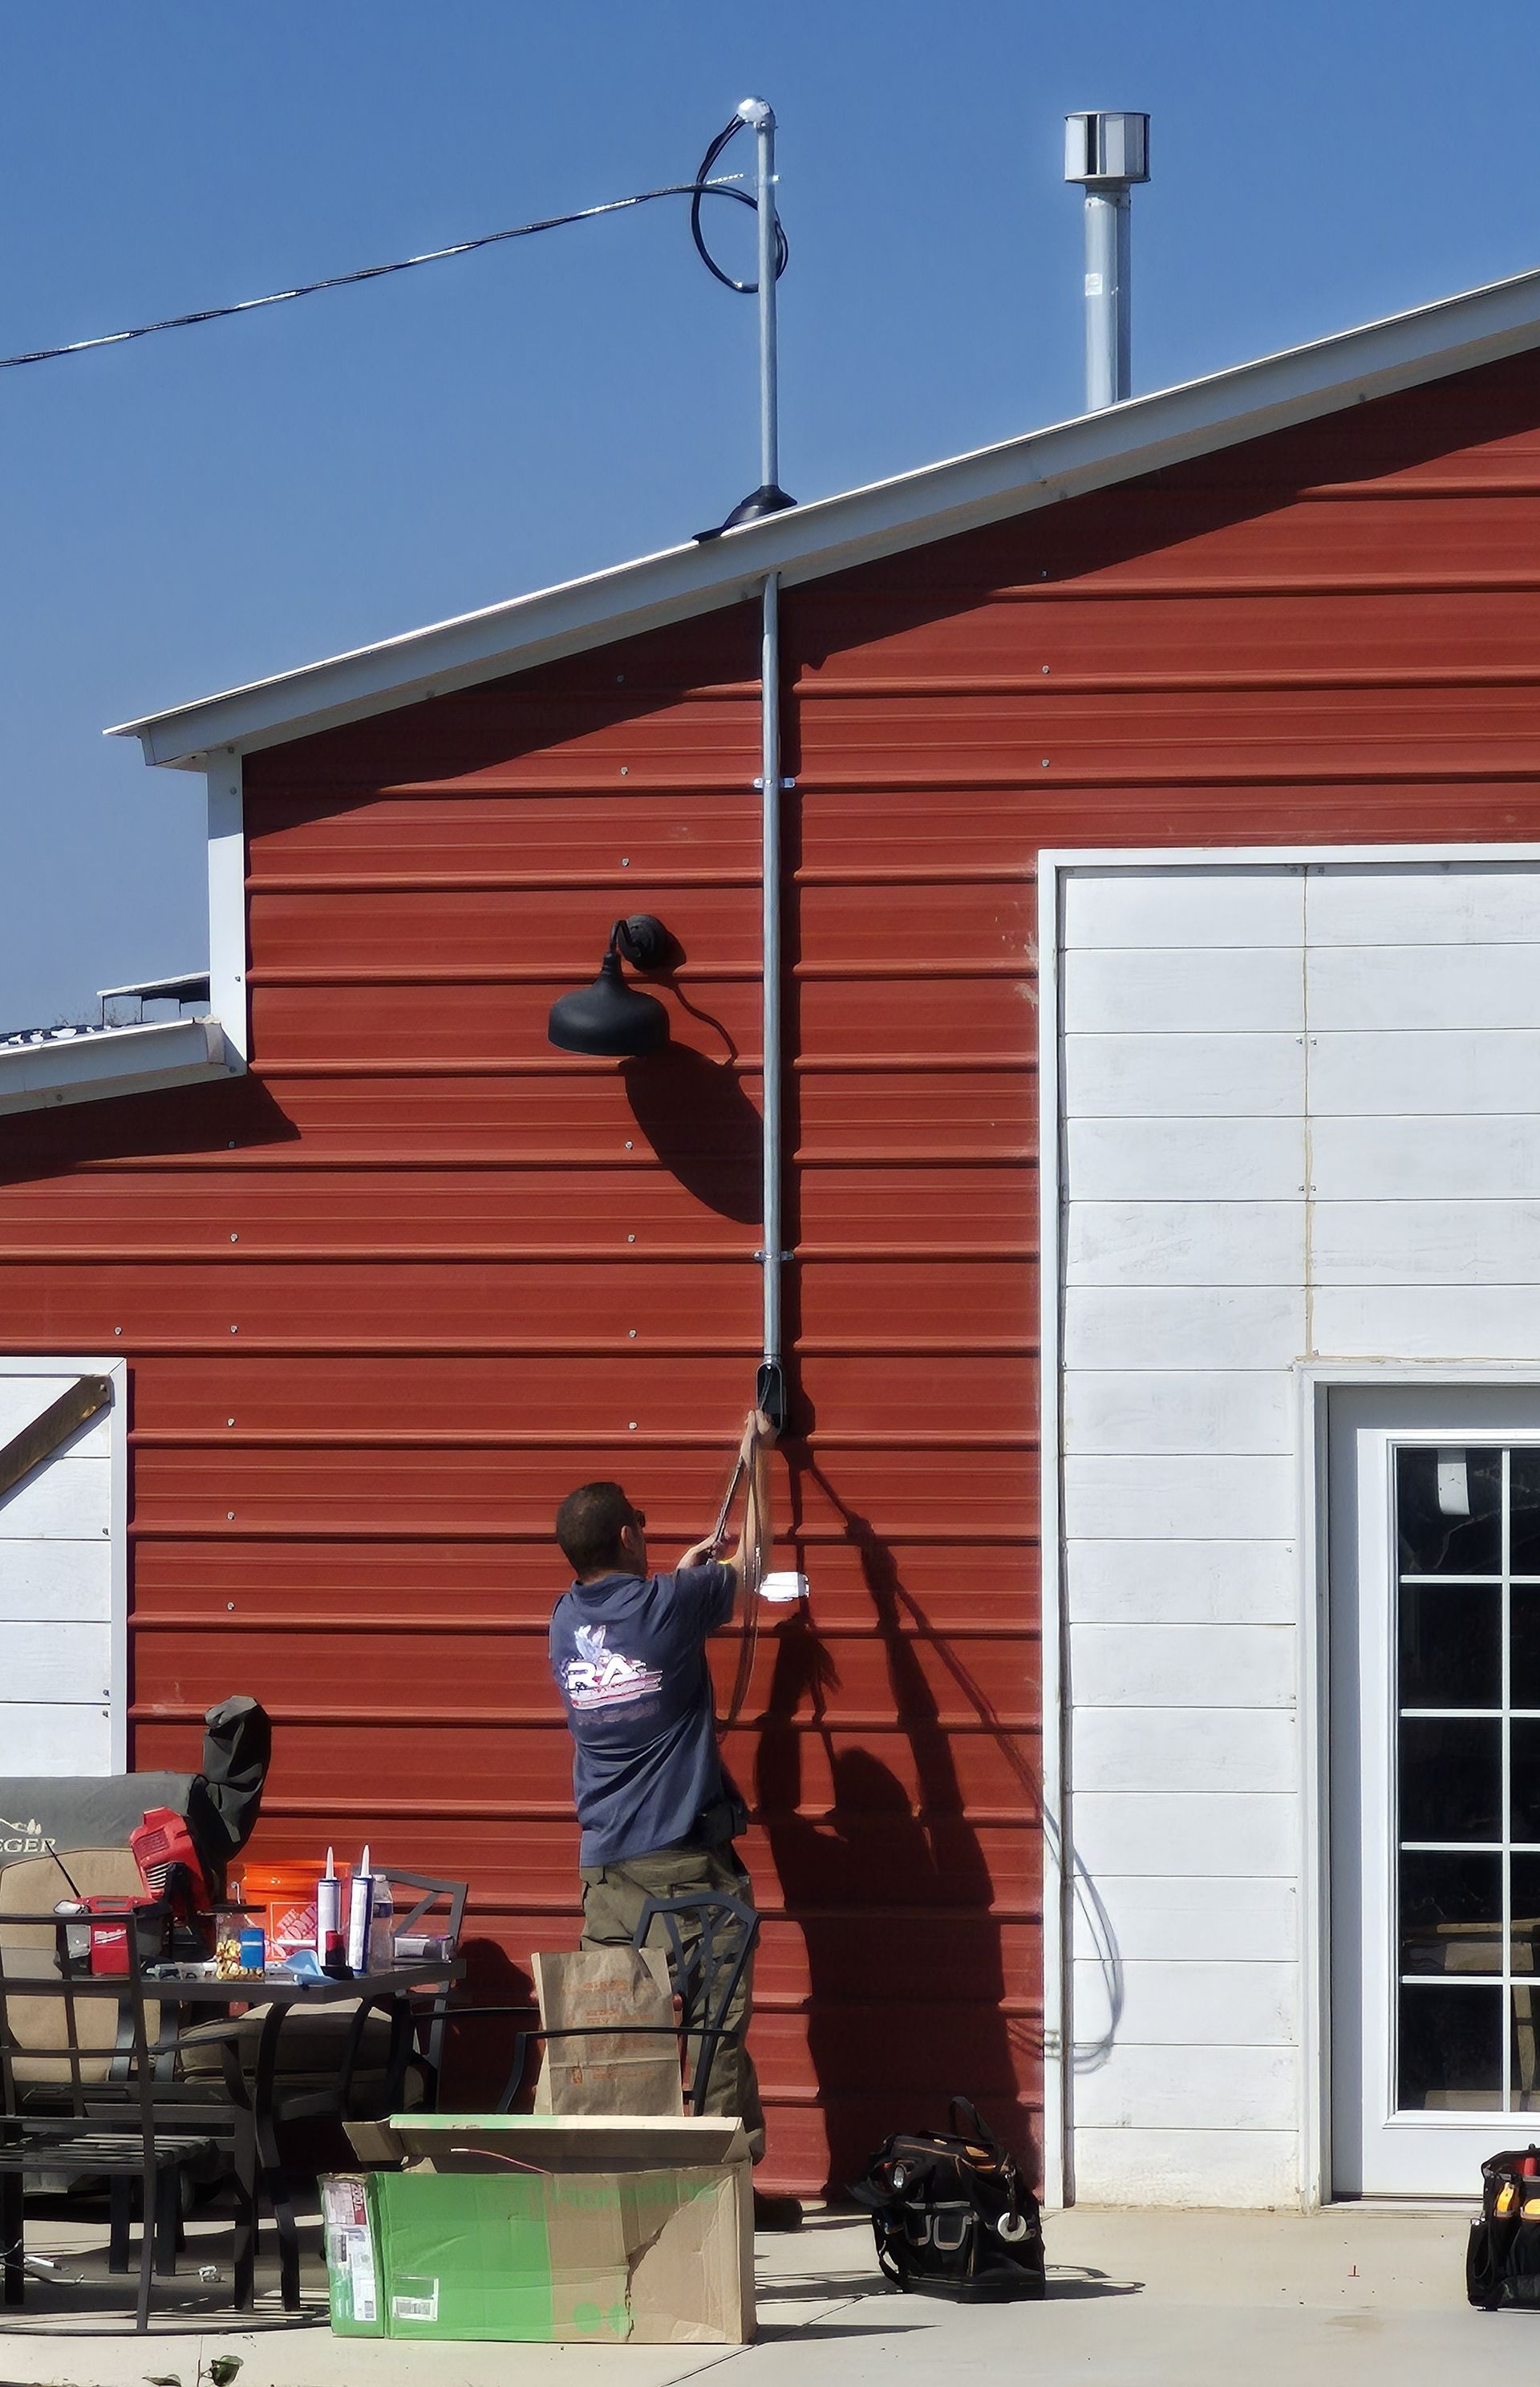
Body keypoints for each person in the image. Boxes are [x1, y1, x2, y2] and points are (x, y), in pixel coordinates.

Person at [549, 1408, 800, 2224]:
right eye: (641, 1527)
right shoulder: (668, 1608)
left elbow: (639, 1616)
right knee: (717, 2026)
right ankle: (726, 2191)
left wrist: (679, 1574)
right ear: (626, 1535)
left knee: (619, 2032)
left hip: (606, 1873)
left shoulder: (566, 1622)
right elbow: (754, 1558)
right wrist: (749, 1453)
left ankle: (617, 2188)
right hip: (685, 1870)